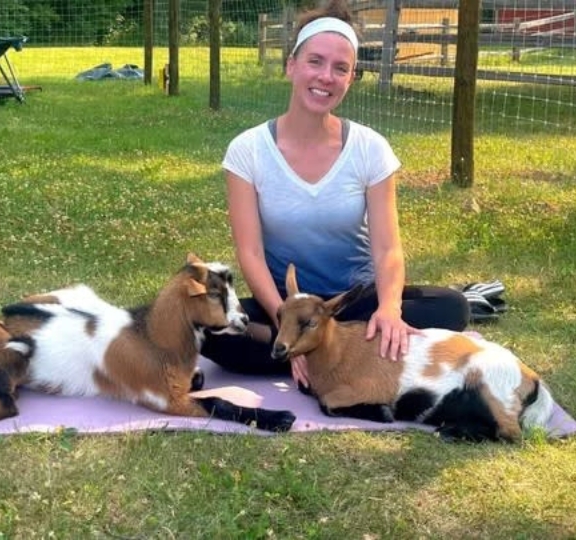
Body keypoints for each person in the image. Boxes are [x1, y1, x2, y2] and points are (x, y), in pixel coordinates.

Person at [201, 0, 470, 388]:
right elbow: (251, 254)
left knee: (451, 307)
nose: (326, 76)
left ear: (351, 77)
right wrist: (288, 327)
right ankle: (343, 356)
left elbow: (387, 250)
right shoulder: (247, 150)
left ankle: (328, 351)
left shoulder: (370, 148)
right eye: (315, 61)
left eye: (340, 68)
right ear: (291, 65)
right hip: (283, 306)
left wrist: (391, 309)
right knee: (212, 330)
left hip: (354, 302)